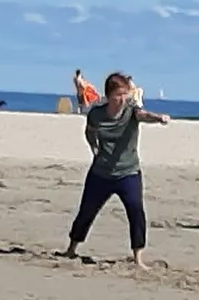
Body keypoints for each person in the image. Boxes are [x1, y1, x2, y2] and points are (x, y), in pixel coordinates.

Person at [64, 69, 169, 263]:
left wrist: (159, 118)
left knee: (136, 210)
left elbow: (143, 115)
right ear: (109, 95)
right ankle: (71, 249)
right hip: (101, 173)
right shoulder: (97, 114)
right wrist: (94, 146)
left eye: (124, 94)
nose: (122, 99)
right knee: (87, 211)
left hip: (128, 172)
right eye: (118, 95)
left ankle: (138, 258)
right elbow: (90, 131)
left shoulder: (131, 110)